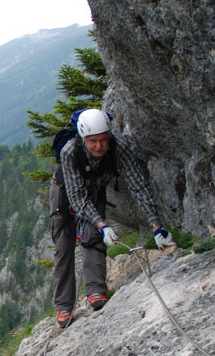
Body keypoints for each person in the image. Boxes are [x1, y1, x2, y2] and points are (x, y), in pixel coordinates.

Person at [50, 108, 175, 328]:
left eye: (103, 140)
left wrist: (156, 226)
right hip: (64, 191)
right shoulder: (70, 151)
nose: (99, 145)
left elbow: (138, 186)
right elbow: (77, 197)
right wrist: (102, 223)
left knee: (94, 237)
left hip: (95, 188)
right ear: (83, 139)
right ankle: (64, 306)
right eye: (92, 141)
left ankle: (96, 293)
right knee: (64, 245)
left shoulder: (119, 147)